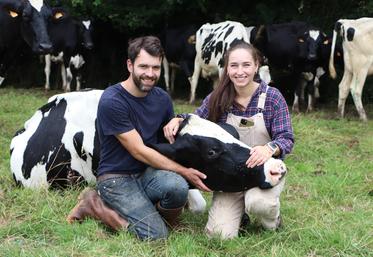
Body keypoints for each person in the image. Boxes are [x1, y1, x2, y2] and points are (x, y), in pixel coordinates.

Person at [67, 36, 211, 240]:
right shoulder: (112, 100)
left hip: (147, 173)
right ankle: (95, 204)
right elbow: (138, 150)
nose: (150, 74)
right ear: (130, 65)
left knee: (177, 187)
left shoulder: (162, 98)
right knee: (155, 236)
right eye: (144, 67)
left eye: (156, 68)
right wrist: (185, 171)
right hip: (116, 178)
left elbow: (169, 143)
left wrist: (179, 119)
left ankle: (162, 218)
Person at [164, 41, 294, 239]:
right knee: (218, 235)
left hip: (265, 170)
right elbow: (197, 120)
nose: (240, 71)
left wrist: (269, 148)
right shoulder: (218, 97)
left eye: (246, 65)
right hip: (230, 176)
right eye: (234, 66)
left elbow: (286, 138)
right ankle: (239, 216)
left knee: (258, 204)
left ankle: (272, 220)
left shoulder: (272, 98)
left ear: (256, 66)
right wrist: (179, 118)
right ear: (226, 68)